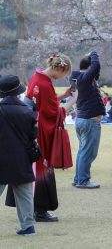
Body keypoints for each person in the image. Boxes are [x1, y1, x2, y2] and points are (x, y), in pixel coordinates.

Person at [24, 53, 77, 222]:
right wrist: (74, 100)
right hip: (40, 131)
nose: (63, 77)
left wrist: (64, 96)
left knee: (34, 168)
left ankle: (31, 207)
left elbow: (47, 102)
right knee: (42, 167)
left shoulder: (37, 78)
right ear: (60, 68)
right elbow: (54, 112)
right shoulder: (45, 84)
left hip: (31, 129)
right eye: (64, 74)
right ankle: (40, 210)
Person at [0, 75, 38, 235]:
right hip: (21, 159)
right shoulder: (27, 111)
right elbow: (33, 136)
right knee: (25, 195)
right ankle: (28, 226)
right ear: (18, 91)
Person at [71, 51, 106, 188]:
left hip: (82, 120)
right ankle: (83, 181)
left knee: (82, 151)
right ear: (89, 67)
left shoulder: (77, 78)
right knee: (88, 152)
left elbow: (96, 70)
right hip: (90, 121)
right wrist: (94, 54)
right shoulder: (85, 78)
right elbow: (96, 65)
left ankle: (78, 179)